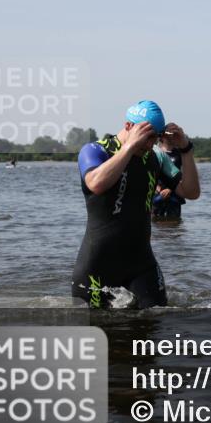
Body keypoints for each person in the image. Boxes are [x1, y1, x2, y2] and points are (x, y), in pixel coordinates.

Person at [71, 101, 200, 309]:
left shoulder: (156, 158)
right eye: (146, 136)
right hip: (96, 266)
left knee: (155, 323)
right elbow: (95, 183)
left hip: (141, 264)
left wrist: (186, 150)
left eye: (156, 138)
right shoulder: (95, 150)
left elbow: (191, 192)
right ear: (129, 126)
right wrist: (129, 147)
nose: (150, 144)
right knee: (98, 332)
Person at [152, 129, 189, 220]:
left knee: (175, 223)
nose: (171, 136)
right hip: (157, 193)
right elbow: (150, 172)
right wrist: (156, 187)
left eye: (173, 134)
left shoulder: (179, 153)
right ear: (162, 137)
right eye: (168, 134)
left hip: (174, 193)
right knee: (155, 222)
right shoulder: (154, 151)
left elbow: (185, 174)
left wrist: (170, 189)